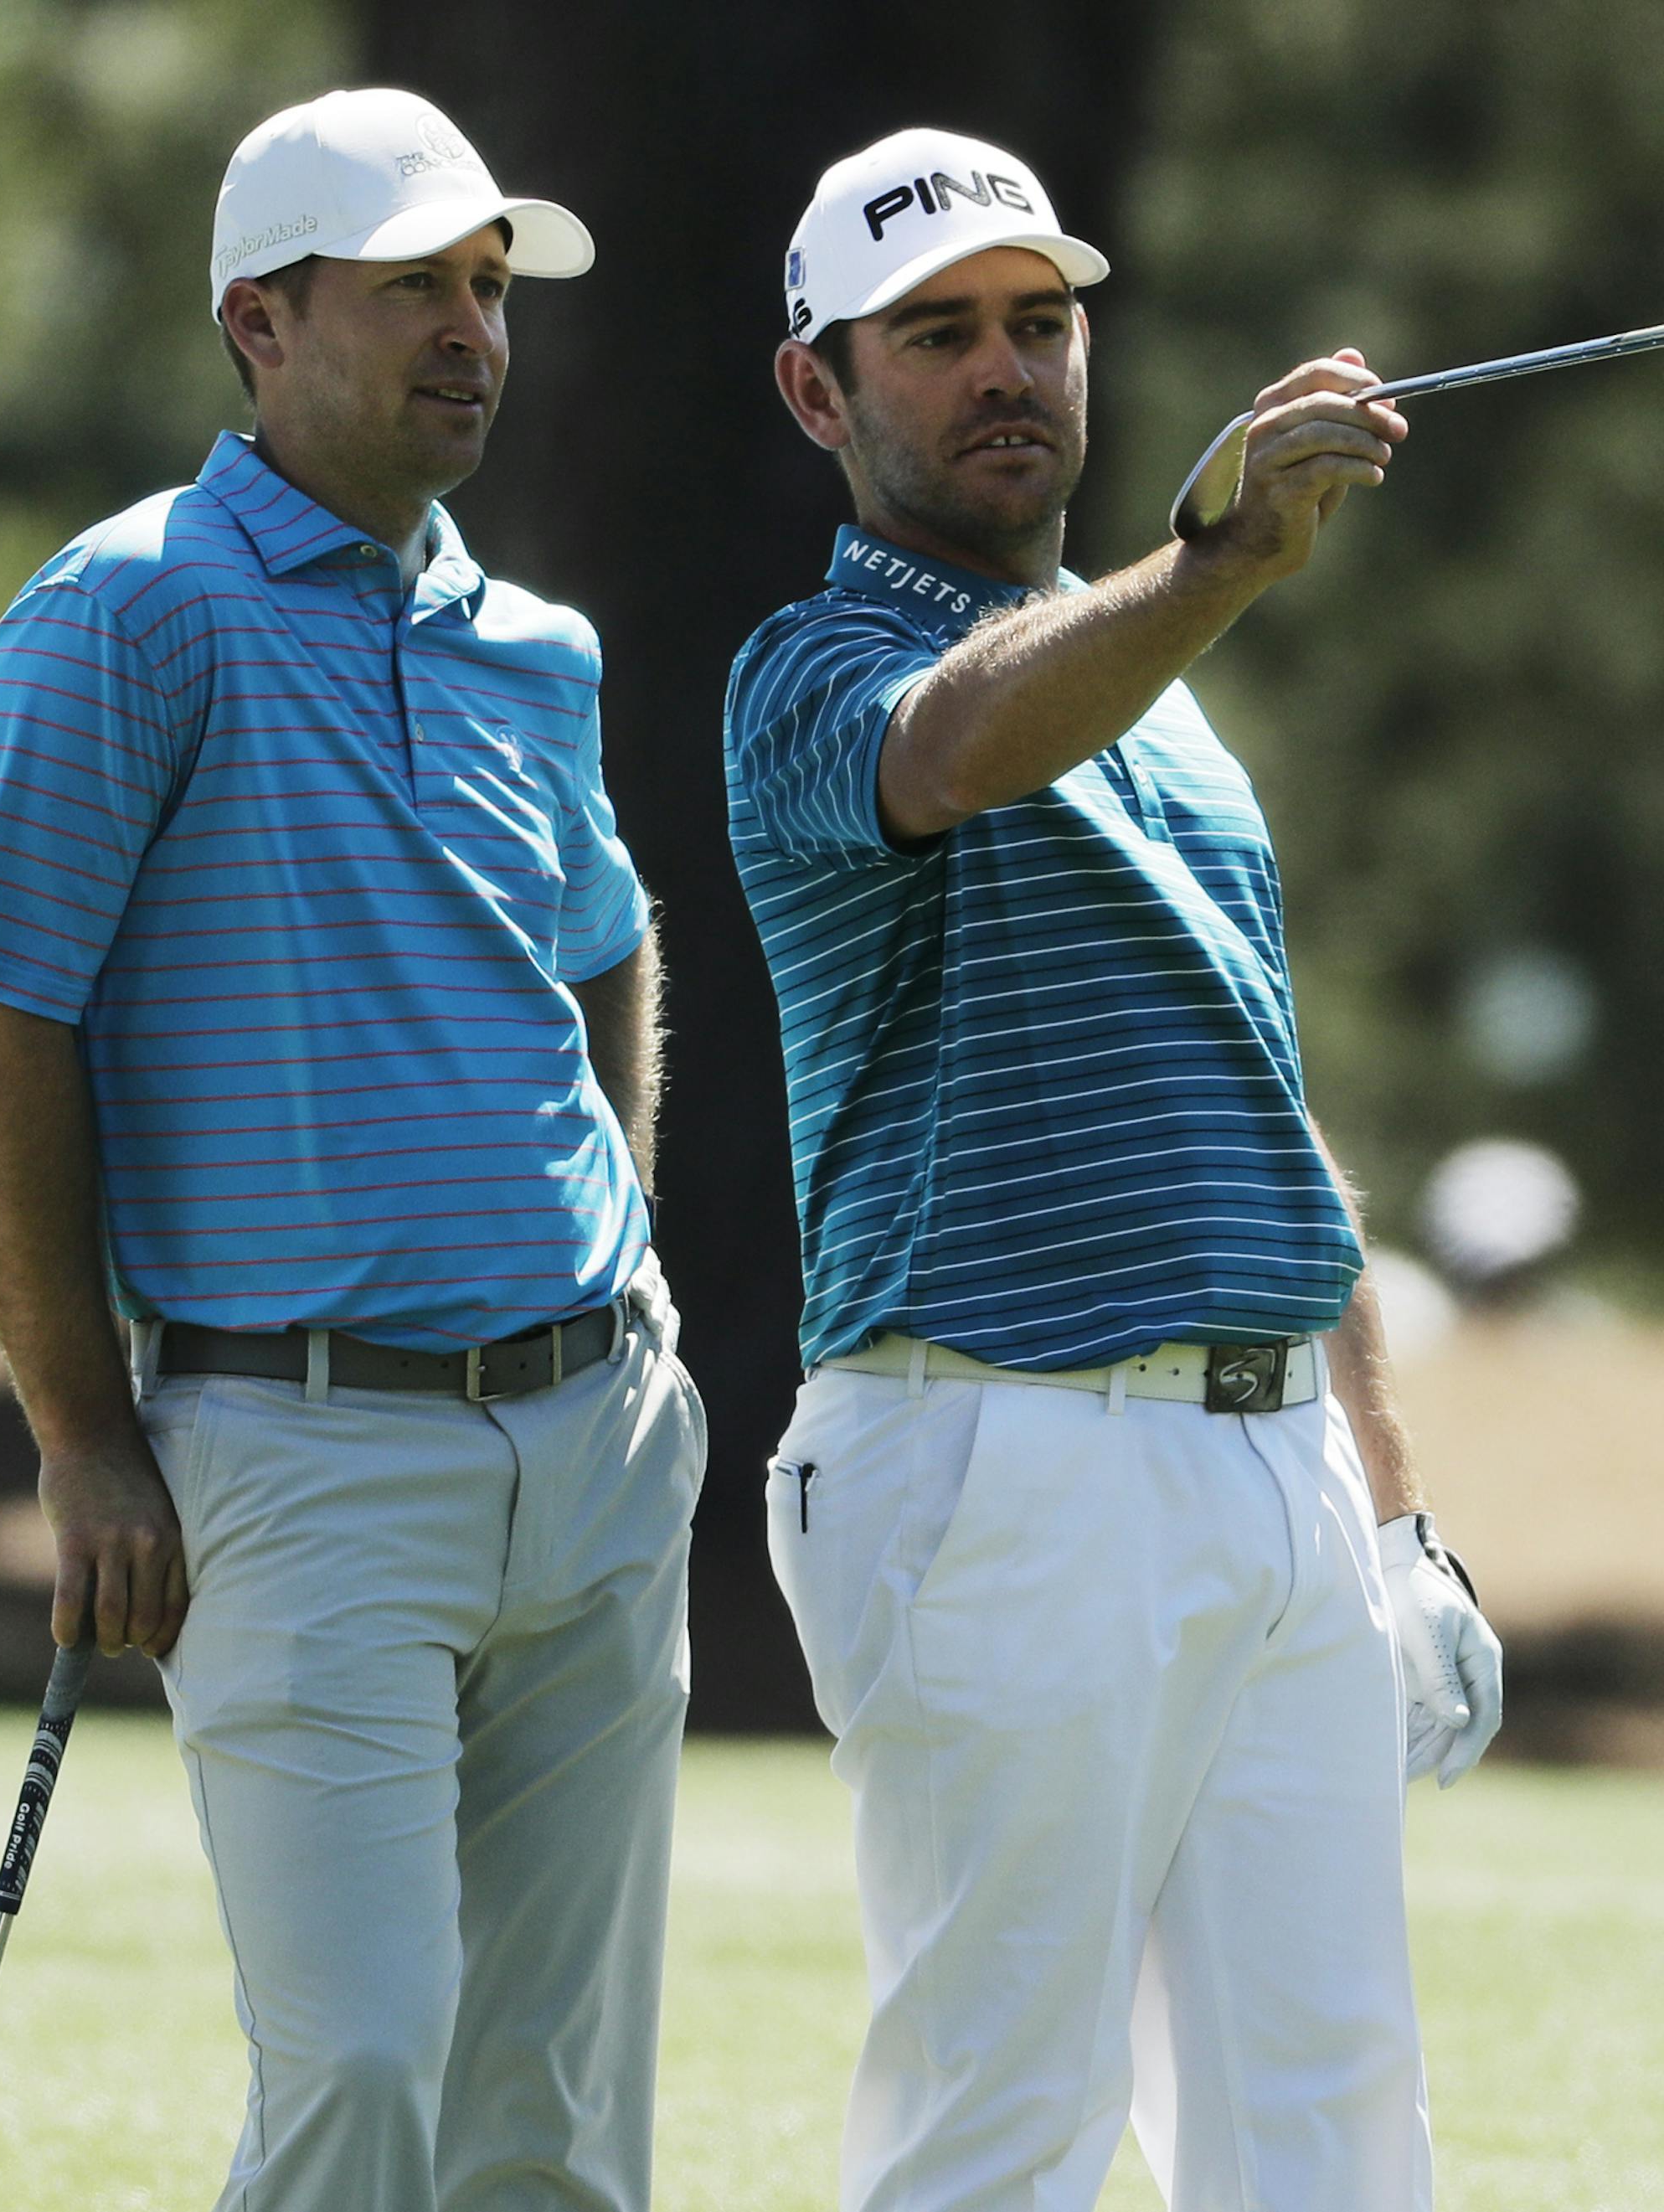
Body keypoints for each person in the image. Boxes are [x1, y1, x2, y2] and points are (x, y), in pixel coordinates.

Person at [0, 87, 704, 2212]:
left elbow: (611, 952)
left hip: (598, 1437)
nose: (473, 329)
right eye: (413, 289)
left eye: (487, 287)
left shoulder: (536, 649)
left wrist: (624, 1247)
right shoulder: (125, 612)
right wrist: (83, 1433)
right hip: (300, 1452)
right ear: (260, 324)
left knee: (553, 2122)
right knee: (364, 2073)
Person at [724, 126, 1502, 2212]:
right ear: (822, 388)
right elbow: (960, 745)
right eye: (938, 336)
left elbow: (1263, 1092)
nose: (1005, 370)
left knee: (1335, 2131)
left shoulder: (1171, 704)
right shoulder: (805, 676)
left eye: (1039, 325)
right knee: (1003, 2134)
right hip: (997, 1451)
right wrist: (1222, 563)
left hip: (1276, 1479)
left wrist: (1396, 1512)